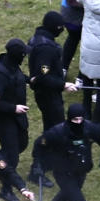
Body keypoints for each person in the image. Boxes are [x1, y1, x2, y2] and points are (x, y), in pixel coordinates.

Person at [0, 39, 31, 201]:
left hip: (17, 115)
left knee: (22, 144)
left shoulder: (11, 65)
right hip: (5, 118)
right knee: (12, 155)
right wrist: (13, 108)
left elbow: (16, 76)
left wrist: (28, 80)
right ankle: (6, 189)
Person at [28, 11, 78, 155]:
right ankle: (49, 155)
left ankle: (47, 154)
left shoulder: (38, 39)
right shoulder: (46, 48)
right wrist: (63, 85)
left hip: (45, 92)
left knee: (51, 125)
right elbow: (43, 77)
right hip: (48, 93)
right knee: (56, 127)